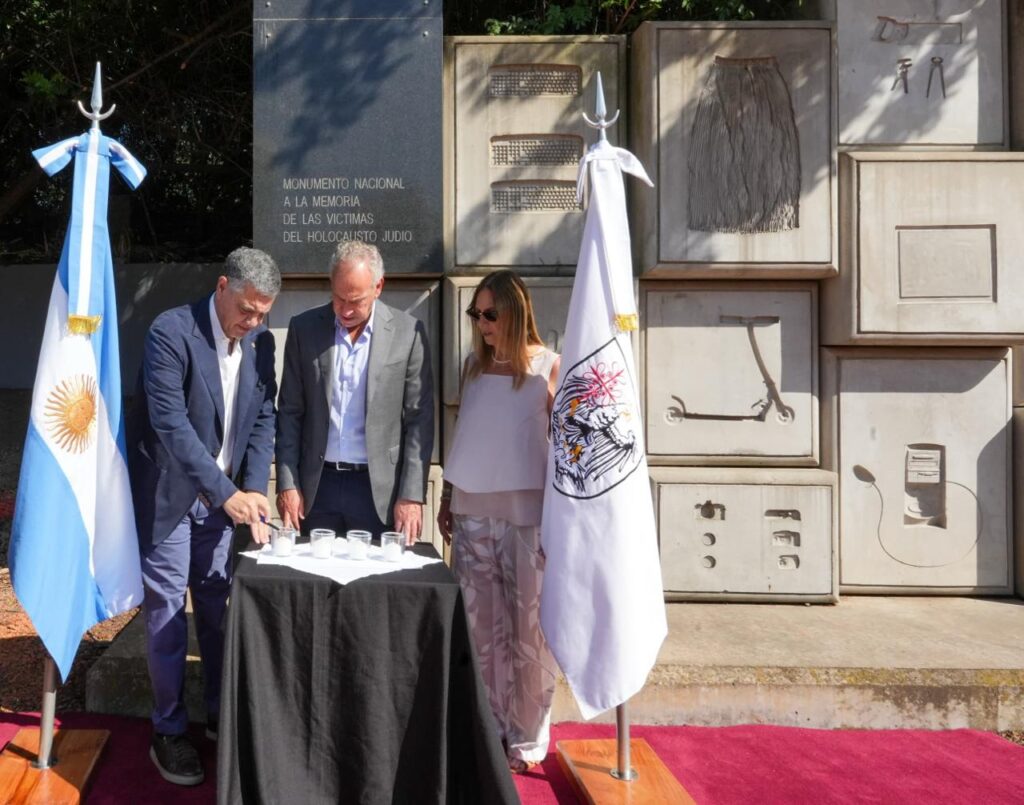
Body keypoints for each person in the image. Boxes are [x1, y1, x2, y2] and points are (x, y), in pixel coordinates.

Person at [128, 247, 280, 786]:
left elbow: (263, 417)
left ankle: (220, 716)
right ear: (221, 287)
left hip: (222, 503)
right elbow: (170, 424)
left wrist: (253, 488)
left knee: (217, 611)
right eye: (247, 309)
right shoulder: (171, 332)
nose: (253, 322)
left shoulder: (261, 343)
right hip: (171, 496)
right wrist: (225, 492)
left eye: (263, 313)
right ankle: (168, 730)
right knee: (169, 614)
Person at [437, 270, 560, 773]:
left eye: (490, 314)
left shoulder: (550, 366)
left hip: (528, 519)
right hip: (471, 514)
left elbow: (567, 452)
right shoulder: (473, 366)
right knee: (480, 630)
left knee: (530, 635)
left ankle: (527, 739)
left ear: (515, 311)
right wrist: (448, 495)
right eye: (476, 314)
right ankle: (489, 732)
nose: (482, 323)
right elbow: (466, 435)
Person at [275, 240, 433, 543]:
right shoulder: (304, 329)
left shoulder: (408, 333)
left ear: (378, 287)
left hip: (379, 491)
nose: (346, 310)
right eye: (338, 298)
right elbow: (290, 412)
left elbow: (419, 420)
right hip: (317, 487)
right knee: (314, 571)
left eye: (356, 301)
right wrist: (287, 483)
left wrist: (412, 495)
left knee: (376, 574)